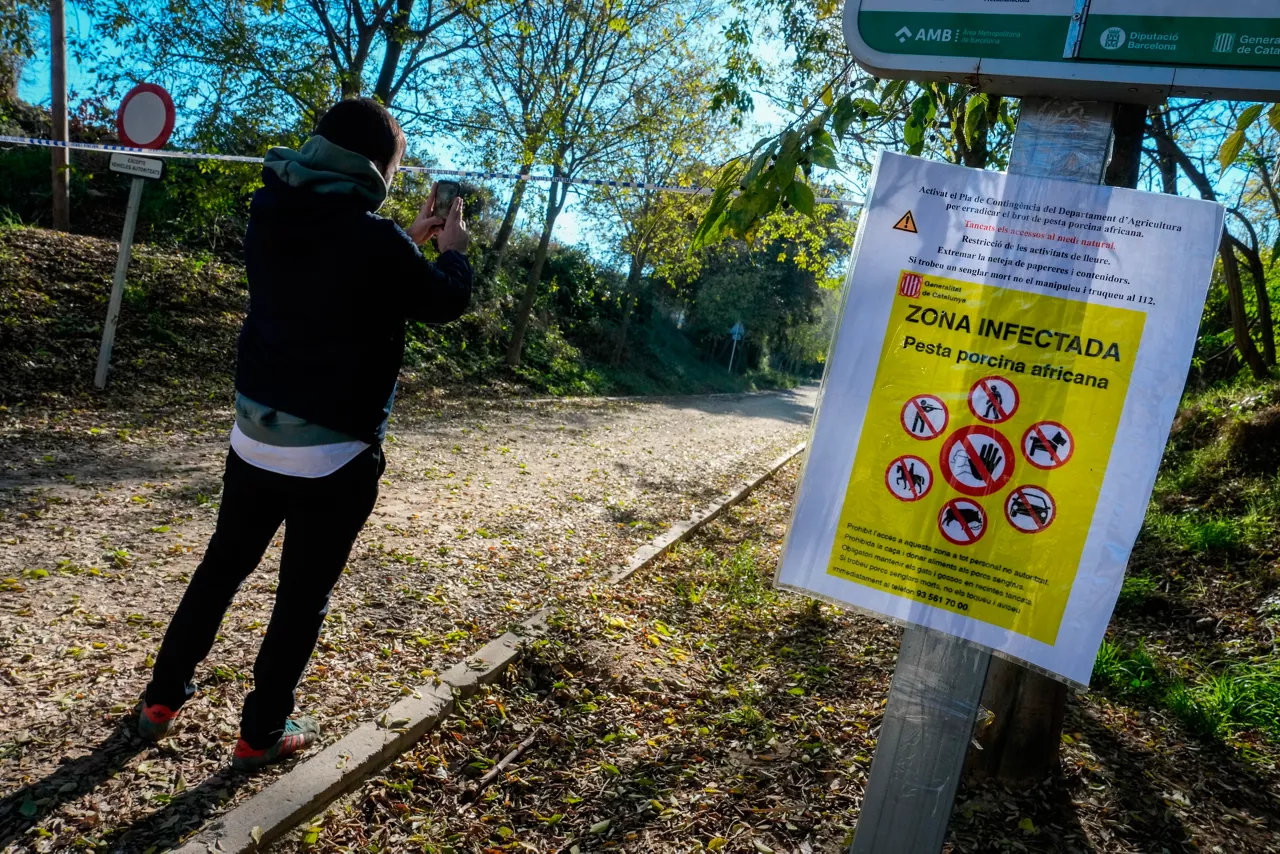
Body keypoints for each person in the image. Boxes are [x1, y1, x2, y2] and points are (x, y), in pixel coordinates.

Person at [136, 98, 472, 770]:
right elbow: (442, 299)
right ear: (377, 167)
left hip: (254, 435)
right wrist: (453, 253)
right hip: (335, 455)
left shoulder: (269, 209)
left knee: (221, 568)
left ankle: (160, 699)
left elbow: (333, 272)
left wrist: (405, 240)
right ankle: (260, 733)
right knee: (300, 597)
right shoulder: (374, 241)